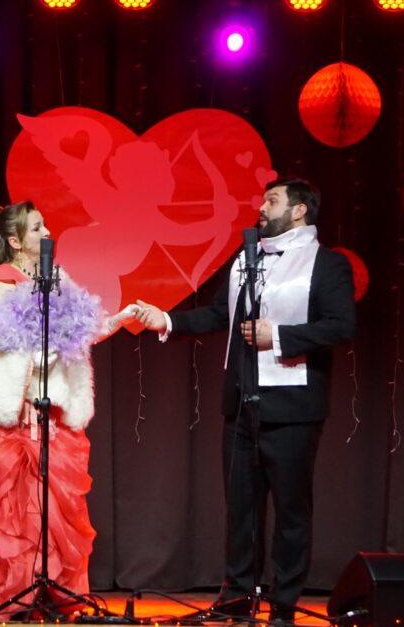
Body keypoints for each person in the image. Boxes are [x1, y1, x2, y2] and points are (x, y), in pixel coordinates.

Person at [135, 177, 356, 622]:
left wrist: (280, 336)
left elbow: (341, 326)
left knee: (291, 512)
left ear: (299, 210)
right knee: (241, 511)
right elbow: (221, 313)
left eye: (272, 200)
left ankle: (283, 607)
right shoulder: (245, 258)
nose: (262, 207)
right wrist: (167, 321)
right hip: (241, 404)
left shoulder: (327, 264)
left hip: (293, 407)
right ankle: (236, 599)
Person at [0, 200, 135, 620]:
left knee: (55, 516)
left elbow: (75, 334)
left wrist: (116, 320)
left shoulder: (54, 278)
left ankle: (53, 593)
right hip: (18, 422)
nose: (47, 233)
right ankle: (14, 597)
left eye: (44, 225)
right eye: (36, 228)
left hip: (54, 419)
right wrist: (28, 382)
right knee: (15, 517)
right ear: (14, 241)